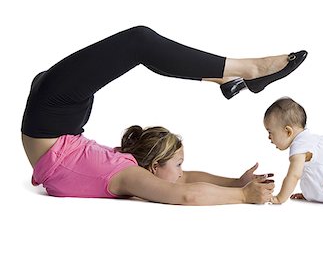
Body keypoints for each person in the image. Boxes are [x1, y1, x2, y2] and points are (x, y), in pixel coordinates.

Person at [21, 26, 307, 205]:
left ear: (155, 166)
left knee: (139, 41)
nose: (183, 171)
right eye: (180, 164)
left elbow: (186, 193)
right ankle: (222, 78)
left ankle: (247, 71)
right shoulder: (134, 170)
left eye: (180, 163)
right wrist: (236, 183)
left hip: (52, 120)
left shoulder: (129, 176)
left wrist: (243, 197)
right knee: (49, 77)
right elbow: (184, 182)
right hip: (61, 123)